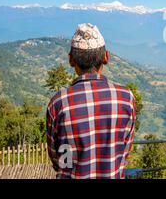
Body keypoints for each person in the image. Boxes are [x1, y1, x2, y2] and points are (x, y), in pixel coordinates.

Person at [46, 23, 137, 179]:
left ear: (71, 60)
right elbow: (125, 150)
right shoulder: (126, 98)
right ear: (106, 57)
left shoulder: (58, 103)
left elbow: (58, 159)